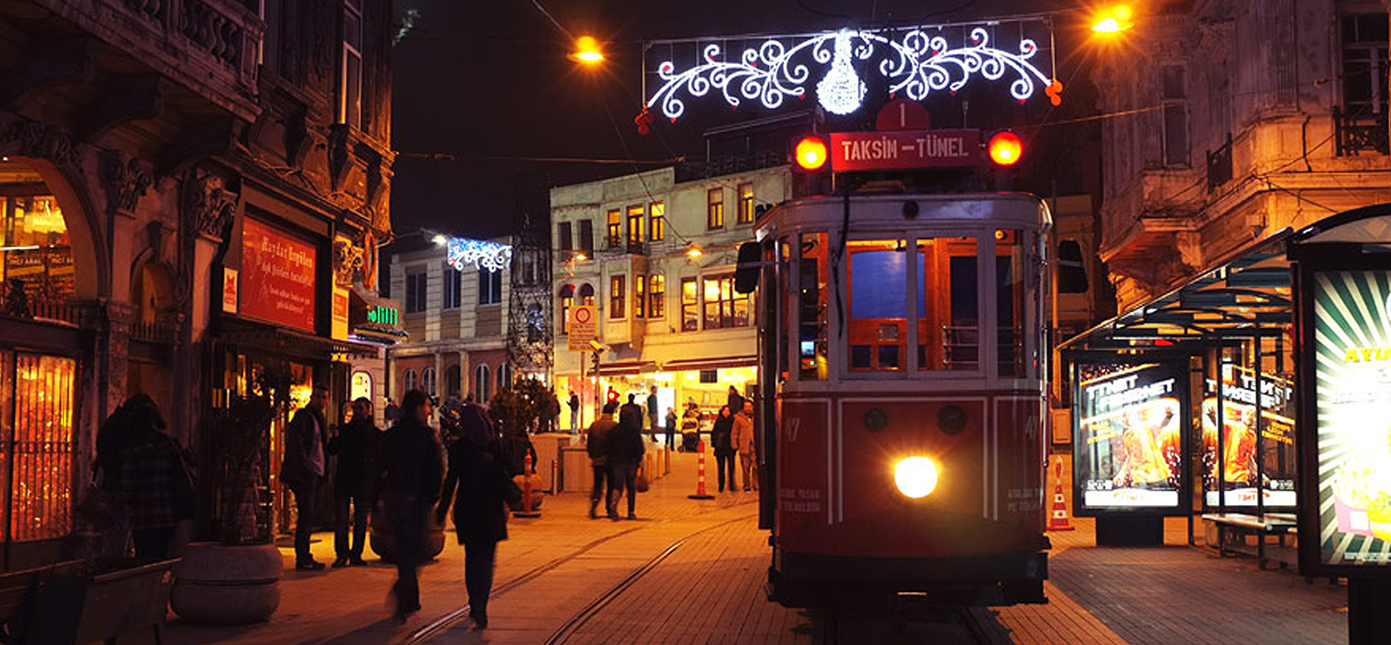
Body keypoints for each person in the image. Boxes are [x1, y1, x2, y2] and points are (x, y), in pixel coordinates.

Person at [437, 403, 513, 630]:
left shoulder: (459, 448)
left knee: (472, 559)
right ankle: (481, 604)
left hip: (468, 510)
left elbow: (451, 482)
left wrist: (441, 511)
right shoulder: (494, 446)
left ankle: (474, 603)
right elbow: (503, 477)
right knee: (487, 561)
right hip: (491, 510)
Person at [378, 390, 445, 622]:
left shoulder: (392, 435)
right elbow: (437, 469)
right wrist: (433, 497)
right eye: (427, 406)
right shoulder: (427, 436)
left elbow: (379, 466)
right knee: (414, 551)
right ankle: (403, 594)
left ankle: (410, 597)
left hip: (395, 499)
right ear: (417, 408)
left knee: (406, 549)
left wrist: (379, 497)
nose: (429, 411)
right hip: (417, 501)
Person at [116, 394, 194, 559]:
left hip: (143, 517)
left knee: (145, 557)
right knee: (163, 556)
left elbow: (129, 488)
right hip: (167, 515)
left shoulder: (133, 449)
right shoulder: (168, 444)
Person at [327, 397, 380, 567]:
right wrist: (335, 437)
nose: (357, 412)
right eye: (355, 408)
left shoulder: (374, 434)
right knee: (341, 520)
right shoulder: (345, 430)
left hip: (363, 481)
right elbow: (332, 450)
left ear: (368, 411)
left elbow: (380, 459)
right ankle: (342, 554)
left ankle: (356, 554)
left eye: (361, 408)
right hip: (344, 479)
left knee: (361, 520)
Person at [282, 385, 329, 571]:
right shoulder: (304, 417)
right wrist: (307, 466)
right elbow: (296, 444)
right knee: (306, 516)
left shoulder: (319, 418)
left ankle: (304, 555)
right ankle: (303, 557)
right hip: (305, 474)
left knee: (307, 515)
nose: (321, 401)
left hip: (314, 473)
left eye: (324, 397)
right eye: (318, 397)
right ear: (312, 397)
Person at [605, 400, 646, 520]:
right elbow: (639, 448)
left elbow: (608, 446)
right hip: (631, 463)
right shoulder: (634, 432)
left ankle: (614, 503)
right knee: (631, 488)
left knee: (618, 486)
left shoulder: (614, 430)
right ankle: (631, 511)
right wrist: (639, 460)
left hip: (617, 463)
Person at [585, 401, 618, 519]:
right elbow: (616, 445)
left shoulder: (594, 425)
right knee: (611, 485)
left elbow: (589, 443)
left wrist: (592, 455)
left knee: (598, 485)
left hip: (597, 460)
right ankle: (610, 508)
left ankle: (594, 505)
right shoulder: (614, 425)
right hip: (611, 461)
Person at [710, 406, 736, 492]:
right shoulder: (718, 421)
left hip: (730, 447)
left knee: (731, 467)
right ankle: (721, 484)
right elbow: (713, 433)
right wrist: (714, 444)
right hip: (720, 448)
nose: (726, 412)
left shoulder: (733, 421)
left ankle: (731, 484)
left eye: (728, 411)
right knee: (720, 467)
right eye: (725, 411)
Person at [733, 401, 757, 491]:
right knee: (745, 467)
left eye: (750, 406)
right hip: (744, 446)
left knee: (755, 466)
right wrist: (735, 444)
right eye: (746, 406)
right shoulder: (738, 419)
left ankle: (756, 484)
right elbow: (734, 433)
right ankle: (746, 485)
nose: (748, 408)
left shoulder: (757, 417)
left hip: (754, 446)